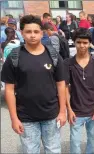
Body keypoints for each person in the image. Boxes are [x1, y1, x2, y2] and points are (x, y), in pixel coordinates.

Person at [1, 15, 66, 153]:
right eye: (28, 32)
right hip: (26, 117)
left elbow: (61, 85)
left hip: (51, 115)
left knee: (53, 150)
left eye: (36, 32)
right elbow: (9, 90)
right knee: (30, 151)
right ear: (22, 33)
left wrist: (62, 112)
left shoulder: (53, 55)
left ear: (41, 33)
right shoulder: (14, 56)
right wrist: (14, 118)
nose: (32, 35)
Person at [64, 28, 94, 154]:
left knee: (92, 139)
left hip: (93, 110)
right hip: (76, 110)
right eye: (79, 42)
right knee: (75, 142)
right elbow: (65, 87)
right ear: (74, 43)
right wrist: (69, 110)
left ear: (90, 43)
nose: (82, 45)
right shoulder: (68, 63)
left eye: (85, 42)